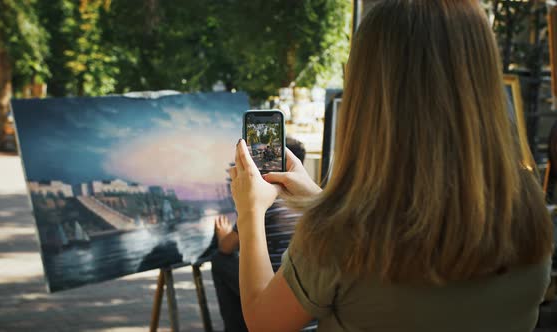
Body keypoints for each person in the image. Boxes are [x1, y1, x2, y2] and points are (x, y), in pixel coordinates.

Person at [228, 1, 554, 331]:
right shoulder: (528, 213)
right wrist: (317, 200)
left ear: (368, 97)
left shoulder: (341, 236)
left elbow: (263, 321)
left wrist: (250, 211)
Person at [211, 137, 306, 332]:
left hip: (277, 298)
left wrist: (224, 235)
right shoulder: (312, 202)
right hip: (310, 307)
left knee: (220, 260)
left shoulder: (265, 200)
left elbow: (226, 246)